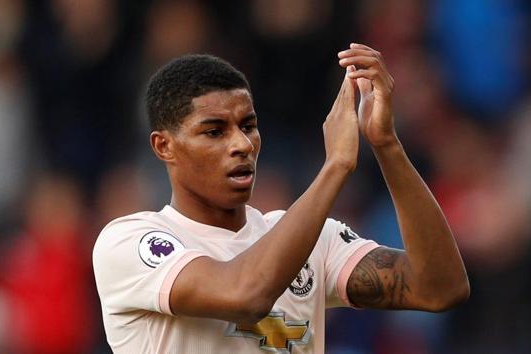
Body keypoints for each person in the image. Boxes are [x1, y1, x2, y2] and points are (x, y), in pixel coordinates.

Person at [93, 43, 469, 353]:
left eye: (249, 126)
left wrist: (385, 143)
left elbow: (439, 288)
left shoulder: (310, 238)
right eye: (214, 131)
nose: (241, 144)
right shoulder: (131, 242)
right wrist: (335, 166)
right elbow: (245, 294)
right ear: (164, 147)